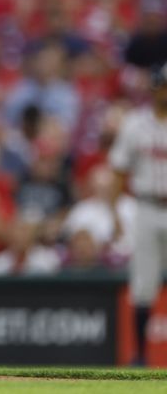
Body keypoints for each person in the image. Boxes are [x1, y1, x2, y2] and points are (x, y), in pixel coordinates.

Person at [108, 64, 167, 366]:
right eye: (162, 85)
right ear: (154, 88)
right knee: (143, 283)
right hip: (145, 205)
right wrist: (114, 212)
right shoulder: (135, 123)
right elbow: (118, 169)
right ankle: (140, 355)